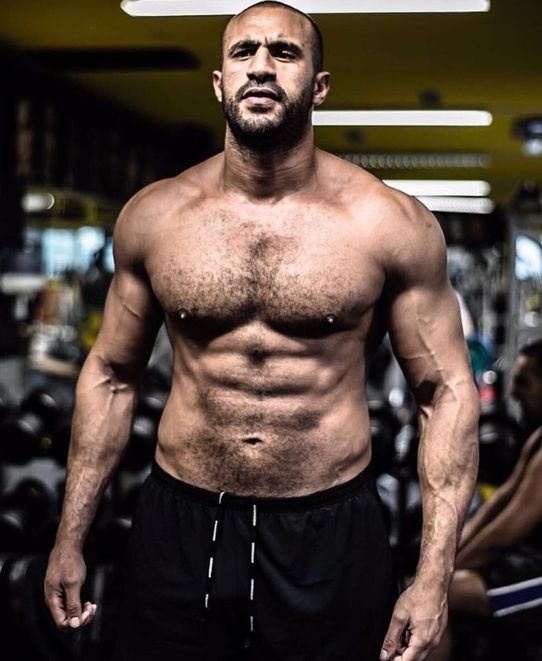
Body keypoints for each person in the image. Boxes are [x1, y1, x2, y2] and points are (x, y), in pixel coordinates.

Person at [43, 2, 479, 660]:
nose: (262, 68)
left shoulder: (387, 224)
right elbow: (110, 374)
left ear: (319, 86)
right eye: (243, 52)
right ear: (220, 82)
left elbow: (445, 390)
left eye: (285, 53)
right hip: (179, 518)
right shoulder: (156, 217)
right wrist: (69, 535)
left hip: (330, 526)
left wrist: (433, 575)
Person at [427, 338, 542, 661]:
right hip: (529, 562)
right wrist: (447, 556)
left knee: (442, 594)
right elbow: (500, 502)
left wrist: (443, 574)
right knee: (435, 587)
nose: (514, 393)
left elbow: (506, 532)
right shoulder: (537, 437)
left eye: (524, 382)